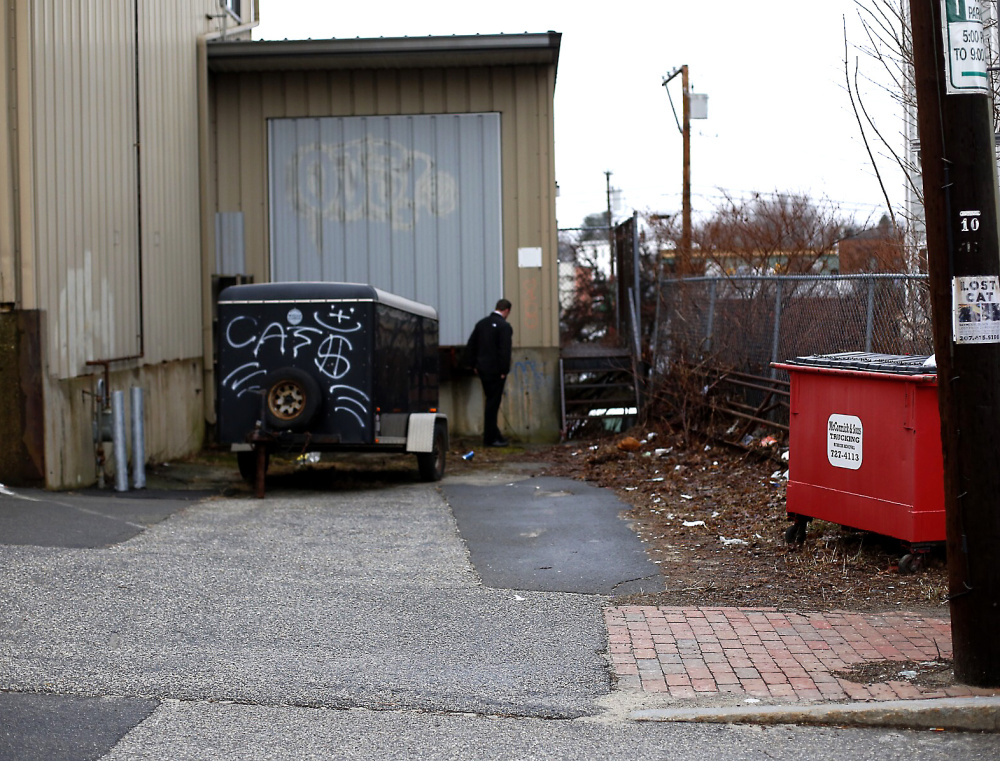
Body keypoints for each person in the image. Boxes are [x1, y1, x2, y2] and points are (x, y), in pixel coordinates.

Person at [465, 298, 513, 447]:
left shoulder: (481, 324)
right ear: (506, 311)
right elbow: (505, 351)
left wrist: (473, 364)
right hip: (497, 371)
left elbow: (471, 345)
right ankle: (490, 438)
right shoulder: (504, 327)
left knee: (490, 402)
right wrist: (504, 370)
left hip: (483, 370)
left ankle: (495, 435)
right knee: (493, 404)